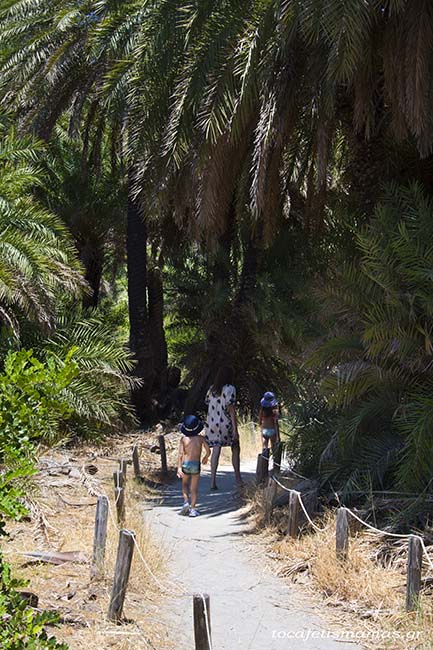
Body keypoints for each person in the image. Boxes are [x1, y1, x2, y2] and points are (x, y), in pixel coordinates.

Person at [204, 366, 242, 490]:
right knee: (235, 447)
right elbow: (231, 410)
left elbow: (208, 403)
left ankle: (212, 481)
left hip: (212, 424)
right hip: (225, 423)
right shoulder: (230, 389)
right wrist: (235, 430)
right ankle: (238, 479)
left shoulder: (211, 389)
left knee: (216, 450)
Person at [177, 414, 210, 517]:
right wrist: (205, 457)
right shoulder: (201, 439)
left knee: (184, 484)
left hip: (186, 464)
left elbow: (180, 454)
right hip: (196, 465)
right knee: (194, 488)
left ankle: (186, 502)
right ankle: (193, 509)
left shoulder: (183, 439)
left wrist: (179, 468)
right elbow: (208, 450)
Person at [258, 391, 280, 459]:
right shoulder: (275, 412)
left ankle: (264, 463)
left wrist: (261, 426)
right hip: (272, 430)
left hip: (264, 430)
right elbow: (276, 423)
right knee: (274, 448)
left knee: (264, 447)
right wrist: (278, 435)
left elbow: (260, 421)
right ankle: (274, 465)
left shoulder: (262, 411)